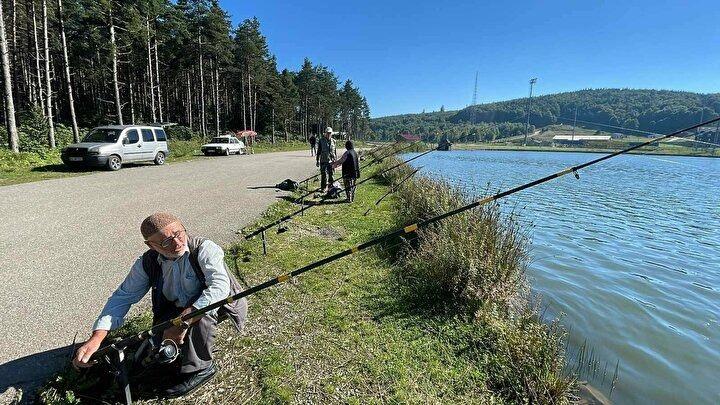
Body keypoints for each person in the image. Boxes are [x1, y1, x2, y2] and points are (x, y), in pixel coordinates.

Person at [72, 212, 248, 398]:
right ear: (151, 245)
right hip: (177, 308)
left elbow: (219, 288)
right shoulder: (147, 263)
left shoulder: (205, 248)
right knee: (155, 345)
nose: (177, 243)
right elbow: (122, 297)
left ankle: (201, 368)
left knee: (203, 314)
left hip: (218, 304)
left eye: (179, 233)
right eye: (166, 242)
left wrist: (182, 322)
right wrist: (97, 337)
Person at [316, 127, 336, 193]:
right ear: (325, 133)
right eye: (327, 133)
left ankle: (331, 187)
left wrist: (335, 161)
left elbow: (335, 151)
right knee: (323, 174)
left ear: (331, 133)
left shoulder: (334, 141)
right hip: (323, 161)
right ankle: (323, 188)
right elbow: (318, 151)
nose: (328, 134)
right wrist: (317, 161)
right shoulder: (321, 141)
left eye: (330, 133)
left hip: (331, 161)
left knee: (331, 174)